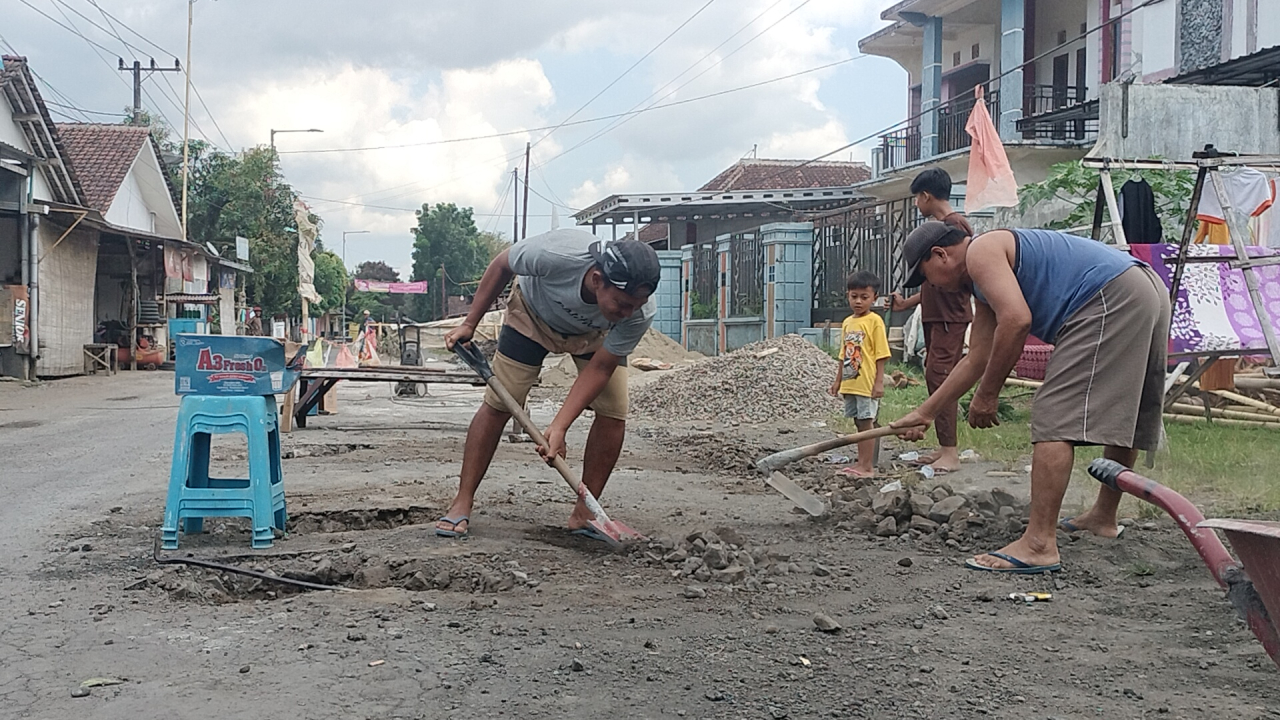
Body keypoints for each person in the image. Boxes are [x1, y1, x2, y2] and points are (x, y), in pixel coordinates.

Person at [890, 223, 1170, 574]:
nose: (931, 286)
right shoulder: (984, 279)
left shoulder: (980, 252)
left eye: (926, 276)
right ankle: (1103, 516)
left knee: (1053, 415)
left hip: (1107, 295)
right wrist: (926, 412)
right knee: (1122, 409)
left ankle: (1038, 544)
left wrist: (988, 394)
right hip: (1143, 286)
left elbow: (1017, 320)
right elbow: (977, 356)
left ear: (940, 255)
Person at [438, 228, 661, 540]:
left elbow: (601, 367)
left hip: (593, 336)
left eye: (636, 305)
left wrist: (559, 426)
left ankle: (584, 514)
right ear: (597, 280)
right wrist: (469, 323)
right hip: (532, 317)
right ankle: (462, 500)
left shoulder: (638, 313)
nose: (628, 313)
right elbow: (502, 264)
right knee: (499, 404)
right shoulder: (556, 254)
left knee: (614, 410)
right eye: (622, 304)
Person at [890, 168, 973, 473]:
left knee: (941, 378)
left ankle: (950, 452)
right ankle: (944, 446)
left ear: (926, 196)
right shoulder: (941, 228)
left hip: (950, 316)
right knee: (934, 375)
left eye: (916, 198)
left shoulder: (954, 227)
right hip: (938, 315)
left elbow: (957, 278)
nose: (916, 204)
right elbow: (932, 283)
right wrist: (906, 303)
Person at [828, 271, 891, 478]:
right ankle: (861, 462)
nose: (858, 301)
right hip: (851, 382)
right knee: (858, 422)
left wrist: (879, 382)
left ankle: (867, 466)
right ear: (847, 295)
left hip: (866, 383)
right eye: (854, 296)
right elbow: (843, 354)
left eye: (864, 297)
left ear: (874, 298)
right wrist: (838, 381)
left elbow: (881, 354)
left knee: (867, 423)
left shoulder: (874, 321)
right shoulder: (847, 322)